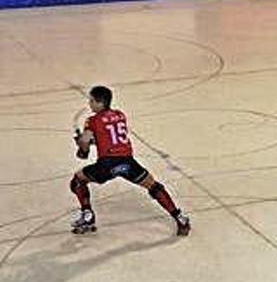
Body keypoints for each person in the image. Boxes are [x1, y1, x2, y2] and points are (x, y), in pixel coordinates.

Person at [69, 86, 191, 236]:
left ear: (100, 103)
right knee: (154, 186)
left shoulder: (92, 120)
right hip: (127, 162)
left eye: (92, 100)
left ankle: (87, 215)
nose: (89, 103)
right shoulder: (120, 115)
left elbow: (85, 145)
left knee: (77, 180)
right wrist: (93, 142)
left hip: (106, 165)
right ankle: (179, 218)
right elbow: (111, 138)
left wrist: (82, 146)